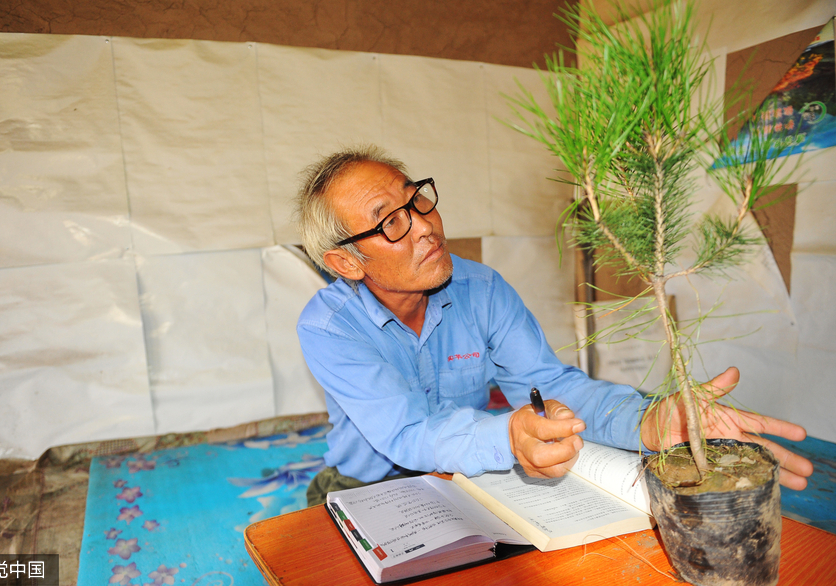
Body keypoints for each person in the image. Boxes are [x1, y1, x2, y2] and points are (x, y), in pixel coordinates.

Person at [295, 145, 814, 506]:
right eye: (391, 221)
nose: (427, 225)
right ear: (346, 263)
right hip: (370, 485)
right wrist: (511, 435)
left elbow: (552, 386)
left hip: (468, 470)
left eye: (418, 199)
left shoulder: (482, 289)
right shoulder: (329, 329)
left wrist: (648, 421)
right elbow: (408, 434)